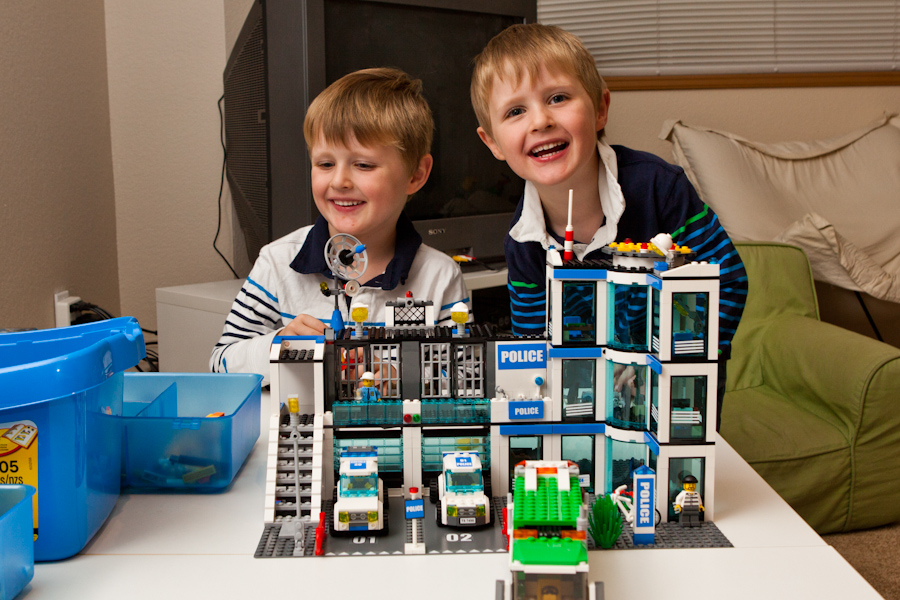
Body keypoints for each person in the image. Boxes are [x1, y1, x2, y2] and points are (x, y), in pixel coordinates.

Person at [470, 24, 747, 426]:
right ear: (492, 142)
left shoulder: (658, 188)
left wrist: (665, 362)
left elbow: (729, 282)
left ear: (600, 109)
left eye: (558, 98)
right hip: (592, 402)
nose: (540, 121)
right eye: (515, 111)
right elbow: (534, 345)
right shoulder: (523, 242)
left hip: (679, 387)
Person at [211, 68, 470, 383]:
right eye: (325, 164)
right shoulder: (277, 263)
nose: (339, 181)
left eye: (363, 165)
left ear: (415, 175)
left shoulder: (440, 276)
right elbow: (222, 363)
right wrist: (278, 346)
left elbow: (466, 374)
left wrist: (398, 377)